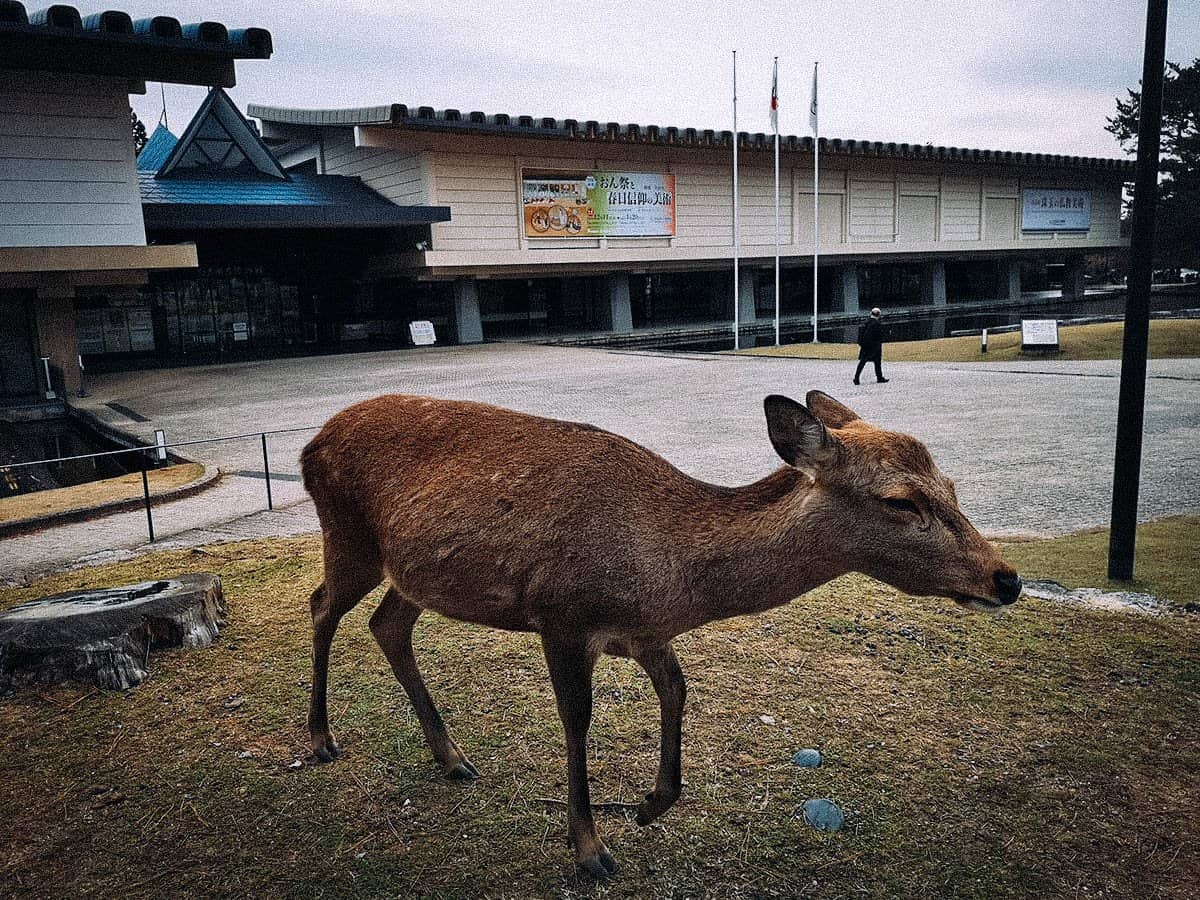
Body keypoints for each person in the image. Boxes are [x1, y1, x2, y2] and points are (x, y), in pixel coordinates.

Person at [854, 307, 889, 385]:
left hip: (866, 346)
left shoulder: (866, 322)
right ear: (878, 315)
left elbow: (861, 334)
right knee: (875, 362)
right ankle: (879, 377)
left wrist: (861, 344)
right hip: (873, 346)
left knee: (864, 362)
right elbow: (876, 335)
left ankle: (857, 377)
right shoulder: (876, 324)